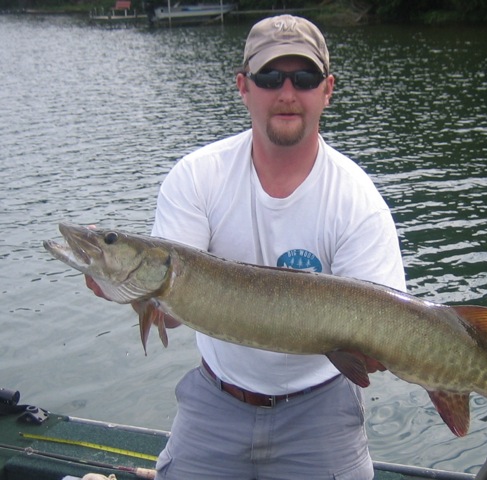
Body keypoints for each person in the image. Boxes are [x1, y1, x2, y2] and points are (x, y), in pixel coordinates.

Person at [89, 14, 406, 479]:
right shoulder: (198, 177)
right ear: (243, 86)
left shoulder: (358, 202)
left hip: (321, 407)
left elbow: (383, 340)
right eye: (270, 77)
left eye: (304, 78)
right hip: (217, 399)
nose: (287, 92)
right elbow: (171, 312)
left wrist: (386, 354)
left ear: (327, 89)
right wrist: (121, 286)